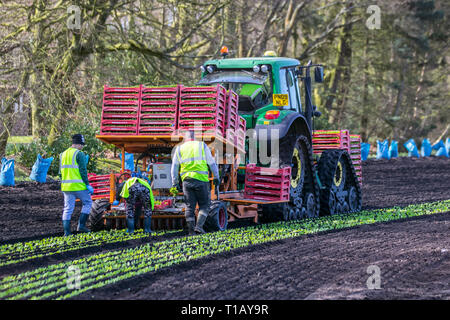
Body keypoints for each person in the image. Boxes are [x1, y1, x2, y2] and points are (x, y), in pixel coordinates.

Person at [171, 131, 220, 235]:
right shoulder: (202, 146)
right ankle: (199, 227)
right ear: (195, 137)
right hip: (201, 180)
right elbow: (211, 163)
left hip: (186, 181)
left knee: (189, 206)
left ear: (185, 138)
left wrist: (175, 183)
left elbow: (174, 167)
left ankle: (191, 231)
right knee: (205, 205)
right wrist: (216, 177)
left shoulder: (179, 148)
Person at [60, 134, 94, 236]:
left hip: (66, 187)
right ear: (78, 144)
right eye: (82, 145)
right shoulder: (79, 154)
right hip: (78, 186)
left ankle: (67, 232)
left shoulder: (63, 154)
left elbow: (60, 172)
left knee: (68, 208)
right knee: (88, 203)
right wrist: (87, 184)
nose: (82, 147)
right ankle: (81, 226)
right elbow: (83, 171)